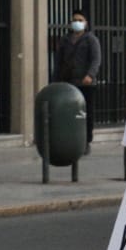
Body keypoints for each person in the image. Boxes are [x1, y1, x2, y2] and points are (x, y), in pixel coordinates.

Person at [53, 9, 101, 153]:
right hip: (69, 83)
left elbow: (96, 59)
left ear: (86, 23)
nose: (77, 23)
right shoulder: (65, 40)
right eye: (74, 20)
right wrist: (56, 79)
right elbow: (58, 61)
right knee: (69, 113)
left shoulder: (91, 39)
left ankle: (86, 141)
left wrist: (90, 75)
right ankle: (69, 140)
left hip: (86, 84)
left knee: (85, 113)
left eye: (80, 20)